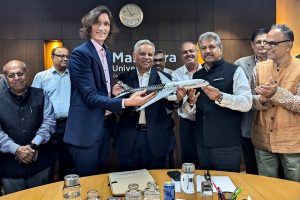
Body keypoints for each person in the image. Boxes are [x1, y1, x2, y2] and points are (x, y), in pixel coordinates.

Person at [63, 6, 155, 176]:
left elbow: (99, 88)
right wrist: (126, 102)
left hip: (104, 126)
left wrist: (112, 90)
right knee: (87, 182)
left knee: (99, 179)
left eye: (106, 24)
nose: (102, 28)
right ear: (89, 26)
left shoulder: (107, 52)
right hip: (86, 130)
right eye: (97, 23)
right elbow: (90, 97)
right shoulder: (80, 54)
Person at [184, 32, 252, 172]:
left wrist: (220, 97)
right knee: (206, 186)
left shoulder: (235, 71)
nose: (207, 51)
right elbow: (192, 113)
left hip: (226, 144)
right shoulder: (197, 75)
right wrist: (190, 103)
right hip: (202, 144)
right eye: (203, 48)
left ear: (220, 48)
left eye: (211, 47)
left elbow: (246, 103)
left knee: (227, 188)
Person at [114, 39, 185, 170]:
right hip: (129, 138)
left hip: (156, 138)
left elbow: (170, 106)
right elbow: (119, 109)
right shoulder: (122, 78)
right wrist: (115, 97)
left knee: (156, 179)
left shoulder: (164, 78)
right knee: (130, 180)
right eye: (142, 54)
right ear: (134, 56)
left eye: (150, 55)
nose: (147, 57)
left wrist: (177, 99)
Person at [251, 24, 300, 182]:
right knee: (267, 186)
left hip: (292, 142)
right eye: (266, 43)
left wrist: (276, 92)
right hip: (263, 139)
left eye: (272, 43)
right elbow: (250, 101)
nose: (266, 47)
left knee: (294, 189)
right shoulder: (259, 68)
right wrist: (261, 99)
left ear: (289, 45)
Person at [0, 60, 55, 194]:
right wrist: (16, 149)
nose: (17, 78)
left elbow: (49, 122)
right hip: (10, 166)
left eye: (20, 73)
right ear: (6, 77)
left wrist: (33, 146)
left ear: (26, 74)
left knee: (43, 197)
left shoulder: (41, 94)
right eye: (11, 75)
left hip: (40, 162)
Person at [32, 46, 71, 180]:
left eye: (67, 56)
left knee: (68, 163)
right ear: (52, 57)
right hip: (48, 125)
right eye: (61, 56)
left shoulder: (74, 77)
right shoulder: (41, 77)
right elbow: (34, 102)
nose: (65, 59)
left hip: (69, 125)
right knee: (48, 164)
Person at [234, 28, 268, 174]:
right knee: (251, 166)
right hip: (248, 124)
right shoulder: (241, 64)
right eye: (258, 42)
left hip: (272, 125)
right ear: (252, 45)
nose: (262, 45)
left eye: (265, 42)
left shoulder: (278, 64)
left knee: (271, 169)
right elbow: (242, 93)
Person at [171, 41, 202, 166]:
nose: (188, 54)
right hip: (186, 123)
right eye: (185, 52)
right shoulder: (176, 74)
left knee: (206, 158)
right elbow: (176, 101)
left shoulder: (207, 71)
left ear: (197, 53)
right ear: (181, 55)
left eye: (191, 51)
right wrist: (186, 100)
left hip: (206, 121)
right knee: (189, 160)